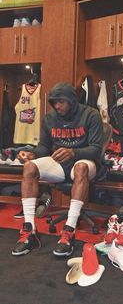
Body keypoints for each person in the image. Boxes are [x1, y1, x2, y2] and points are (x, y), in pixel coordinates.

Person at [12, 82, 103, 257]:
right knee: (30, 167)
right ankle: (29, 231)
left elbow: (96, 149)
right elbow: (44, 147)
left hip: (84, 161)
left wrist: (73, 152)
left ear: (71, 100)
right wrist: (31, 155)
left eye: (62, 102)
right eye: (55, 102)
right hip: (60, 163)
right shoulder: (50, 118)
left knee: (81, 168)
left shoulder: (91, 115)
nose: (58, 106)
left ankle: (69, 230)